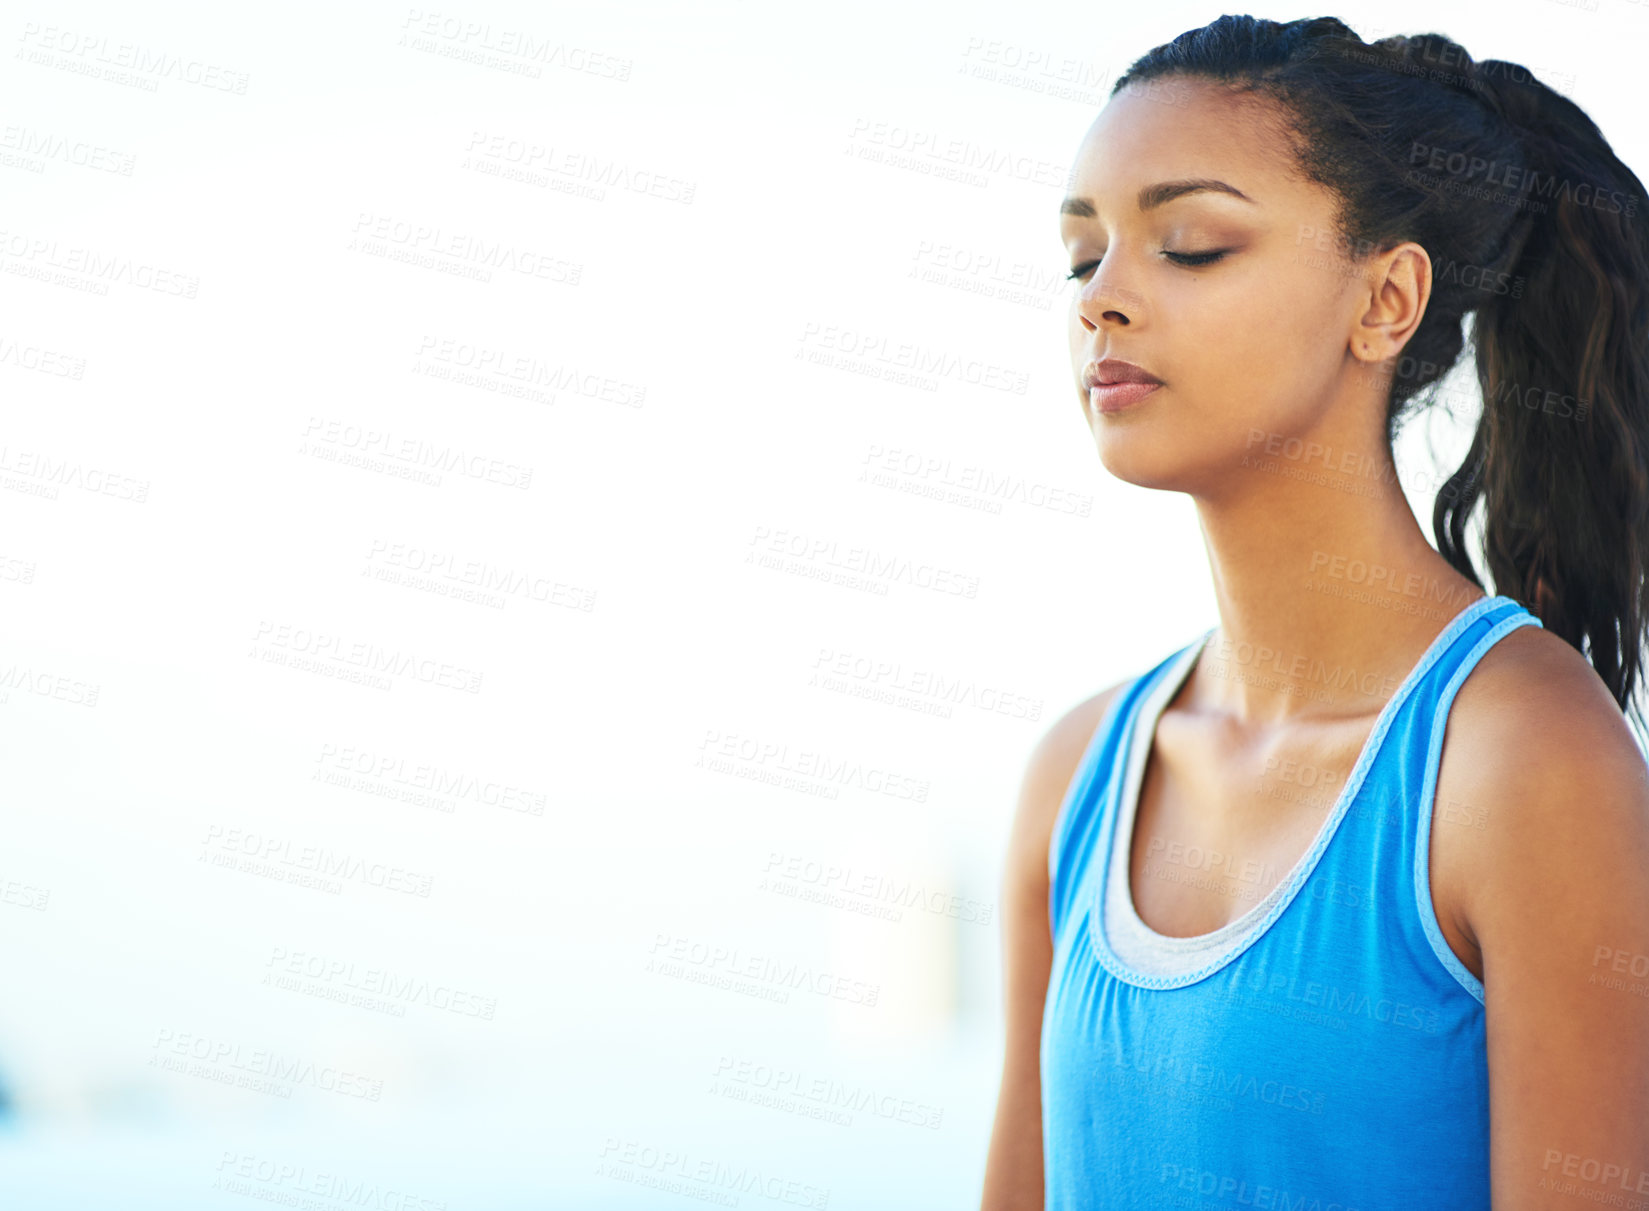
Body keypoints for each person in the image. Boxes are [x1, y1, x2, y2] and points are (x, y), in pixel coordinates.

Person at [980, 15, 1649, 1210]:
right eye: (1083, 259)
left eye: (1188, 244)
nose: (1104, 303)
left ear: (1385, 299)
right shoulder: (1074, 773)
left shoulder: (1518, 762)